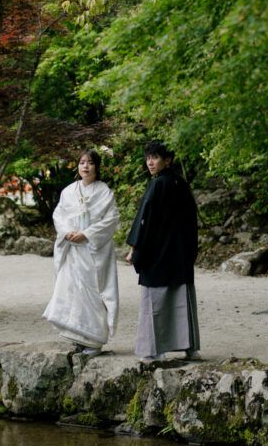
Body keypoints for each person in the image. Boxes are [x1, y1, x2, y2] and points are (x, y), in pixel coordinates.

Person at [126, 140, 201, 363]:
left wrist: (135, 249)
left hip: (158, 251)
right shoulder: (182, 184)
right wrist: (190, 251)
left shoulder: (157, 185)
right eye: (148, 158)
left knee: (154, 300)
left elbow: (144, 220)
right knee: (182, 297)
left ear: (167, 160)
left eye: (155, 158)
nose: (150, 162)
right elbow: (192, 222)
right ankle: (190, 348)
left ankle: (152, 350)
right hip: (179, 251)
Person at [43, 150, 120, 357]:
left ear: (97, 167)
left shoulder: (104, 192)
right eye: (82, 162)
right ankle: (78, 336)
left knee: (94, 291)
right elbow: (59, 215)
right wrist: (68, 232)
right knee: (72, 291)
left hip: (93, 250)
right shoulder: (68, 191)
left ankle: (94, 340)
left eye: (90, 163)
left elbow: (111, 219)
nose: (85, 166)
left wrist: (86, 234)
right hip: (72, 249)